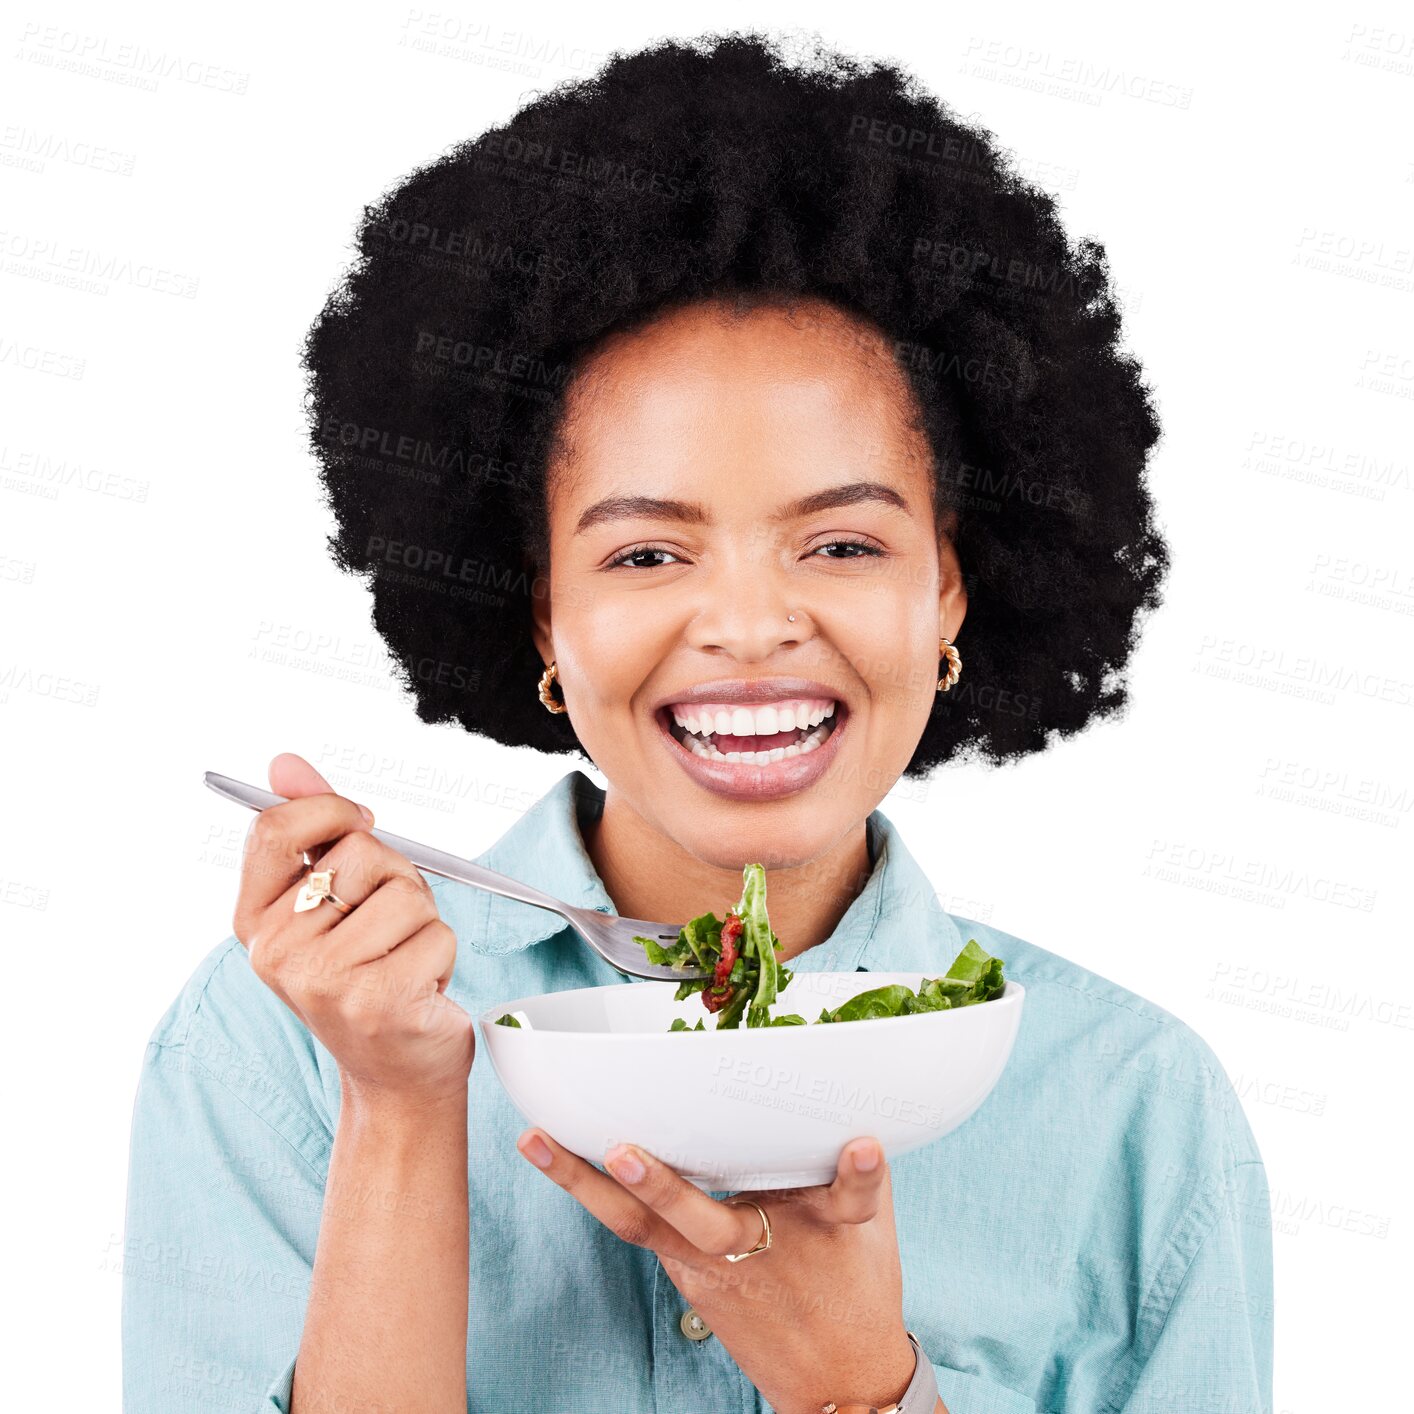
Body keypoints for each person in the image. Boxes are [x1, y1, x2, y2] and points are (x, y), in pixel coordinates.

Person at [121, 30, 1273, 1414]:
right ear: (540, 616)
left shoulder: (1133, 1111)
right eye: (645, 555)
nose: (743, 625)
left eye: (840, 545)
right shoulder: (279, 1048)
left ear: (951, 590)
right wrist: (396, 1110)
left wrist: (862, 1389)